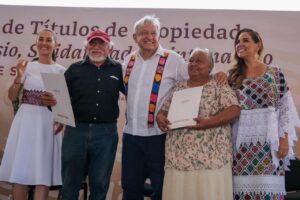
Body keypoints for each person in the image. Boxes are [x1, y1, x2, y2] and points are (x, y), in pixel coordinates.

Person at [121, 15, 227, 200]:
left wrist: (218, 74)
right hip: (131, 135)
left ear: (159, 36)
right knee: (130, 187)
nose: (149, 37)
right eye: (144, 33)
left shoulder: (173, 59)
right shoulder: (127, 61)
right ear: (134, 37)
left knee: (161, 188)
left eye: (153, 33)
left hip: (159, 136)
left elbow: (199, 74)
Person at [156, 48, 240, 200]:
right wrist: (160, 117)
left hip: (210, 159)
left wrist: (209, 123)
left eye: (199, 61)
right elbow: (164, 111)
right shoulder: (179, 87)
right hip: (178, 159)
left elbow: (234, 110)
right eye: (191, 60)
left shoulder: (218, 85)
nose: (193, 64)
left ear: (210, 66)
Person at [228, 28, 300, 199]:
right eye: (238, 41)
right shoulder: (233, 76)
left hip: (269, 145)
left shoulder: (275, 73)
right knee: (242, 192)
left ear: (258, 45)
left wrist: (284, 138)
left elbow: (285, 107)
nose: (240, 44)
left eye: (245, 40)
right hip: (241, 147)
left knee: (268, 192)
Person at [57, 29, 125, 200]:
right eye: (92, 43)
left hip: (106, 134)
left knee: (100, 185)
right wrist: (54, 105)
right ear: (86, 47)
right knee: (70, 184)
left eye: (101, 43)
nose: (96, 47)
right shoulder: (74, 69)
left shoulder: (119, 69)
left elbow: (135, 94)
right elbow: (59, 99)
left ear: (109, 47)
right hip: (76, 132)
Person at [0, 28, 65, 200]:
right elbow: (11, 96)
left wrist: (60, 116)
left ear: (56, 45)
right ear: (36, 43)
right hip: (25, 121)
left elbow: (63, 107)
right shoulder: (27, 66)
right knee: (21, 172)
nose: (44, 43)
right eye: (41, 39)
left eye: (49, 40)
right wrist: (18, 76)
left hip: (47, 124)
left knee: (42, 175)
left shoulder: (61, 70)